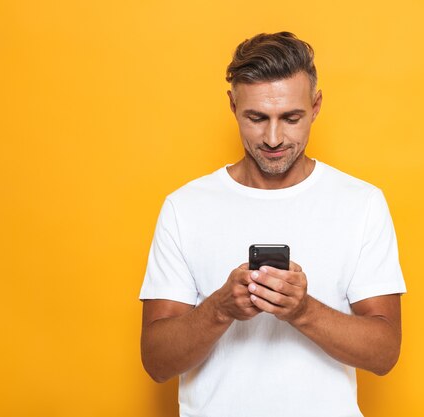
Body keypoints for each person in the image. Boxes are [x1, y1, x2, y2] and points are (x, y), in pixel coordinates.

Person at [139, 31, 406, 417]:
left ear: (315, 106)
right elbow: (156, 362)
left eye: (291, 117)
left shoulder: (361, 204)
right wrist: (220, 308)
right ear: (233, 105)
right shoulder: (185, 207)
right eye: (257, 118)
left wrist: (302, 310)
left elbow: (384, 354)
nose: (274, 137)